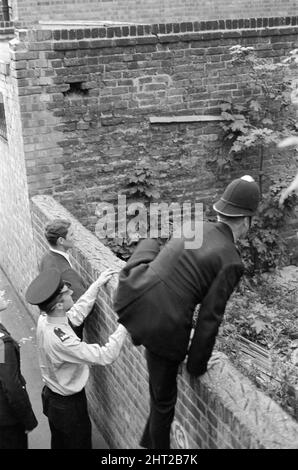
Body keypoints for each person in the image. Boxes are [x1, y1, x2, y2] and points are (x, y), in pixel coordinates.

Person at [114, 175, 260, 449]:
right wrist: (196, 366)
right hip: (163, 326)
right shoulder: (231, 260)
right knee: (164, 403)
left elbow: (176, 262)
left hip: (134, 296)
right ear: (246, 220)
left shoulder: (195, 227)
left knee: (158, 394)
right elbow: (209, 319)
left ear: (220, 210)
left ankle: (147, 444)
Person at [25, 268, 127, 449]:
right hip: (68, 407)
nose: (71, 292)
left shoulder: (46, 319)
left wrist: (96, 286)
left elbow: (75, 315)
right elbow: (105, 355)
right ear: (58, 305)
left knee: (60, 444)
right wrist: (126, 323)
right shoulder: (62, 341)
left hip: (53, 399)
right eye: (66, 292)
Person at [0, 290, 38, 449]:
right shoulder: (2, 345)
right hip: (6, 423)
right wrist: (28, 420)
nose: (2, 292)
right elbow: (12, 386)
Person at [39, 218, 86, 339]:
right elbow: (81, 302)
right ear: (61, 240)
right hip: (68, 328)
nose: (75, 237)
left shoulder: (46, 258)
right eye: (71, 234)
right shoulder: (65, 271)